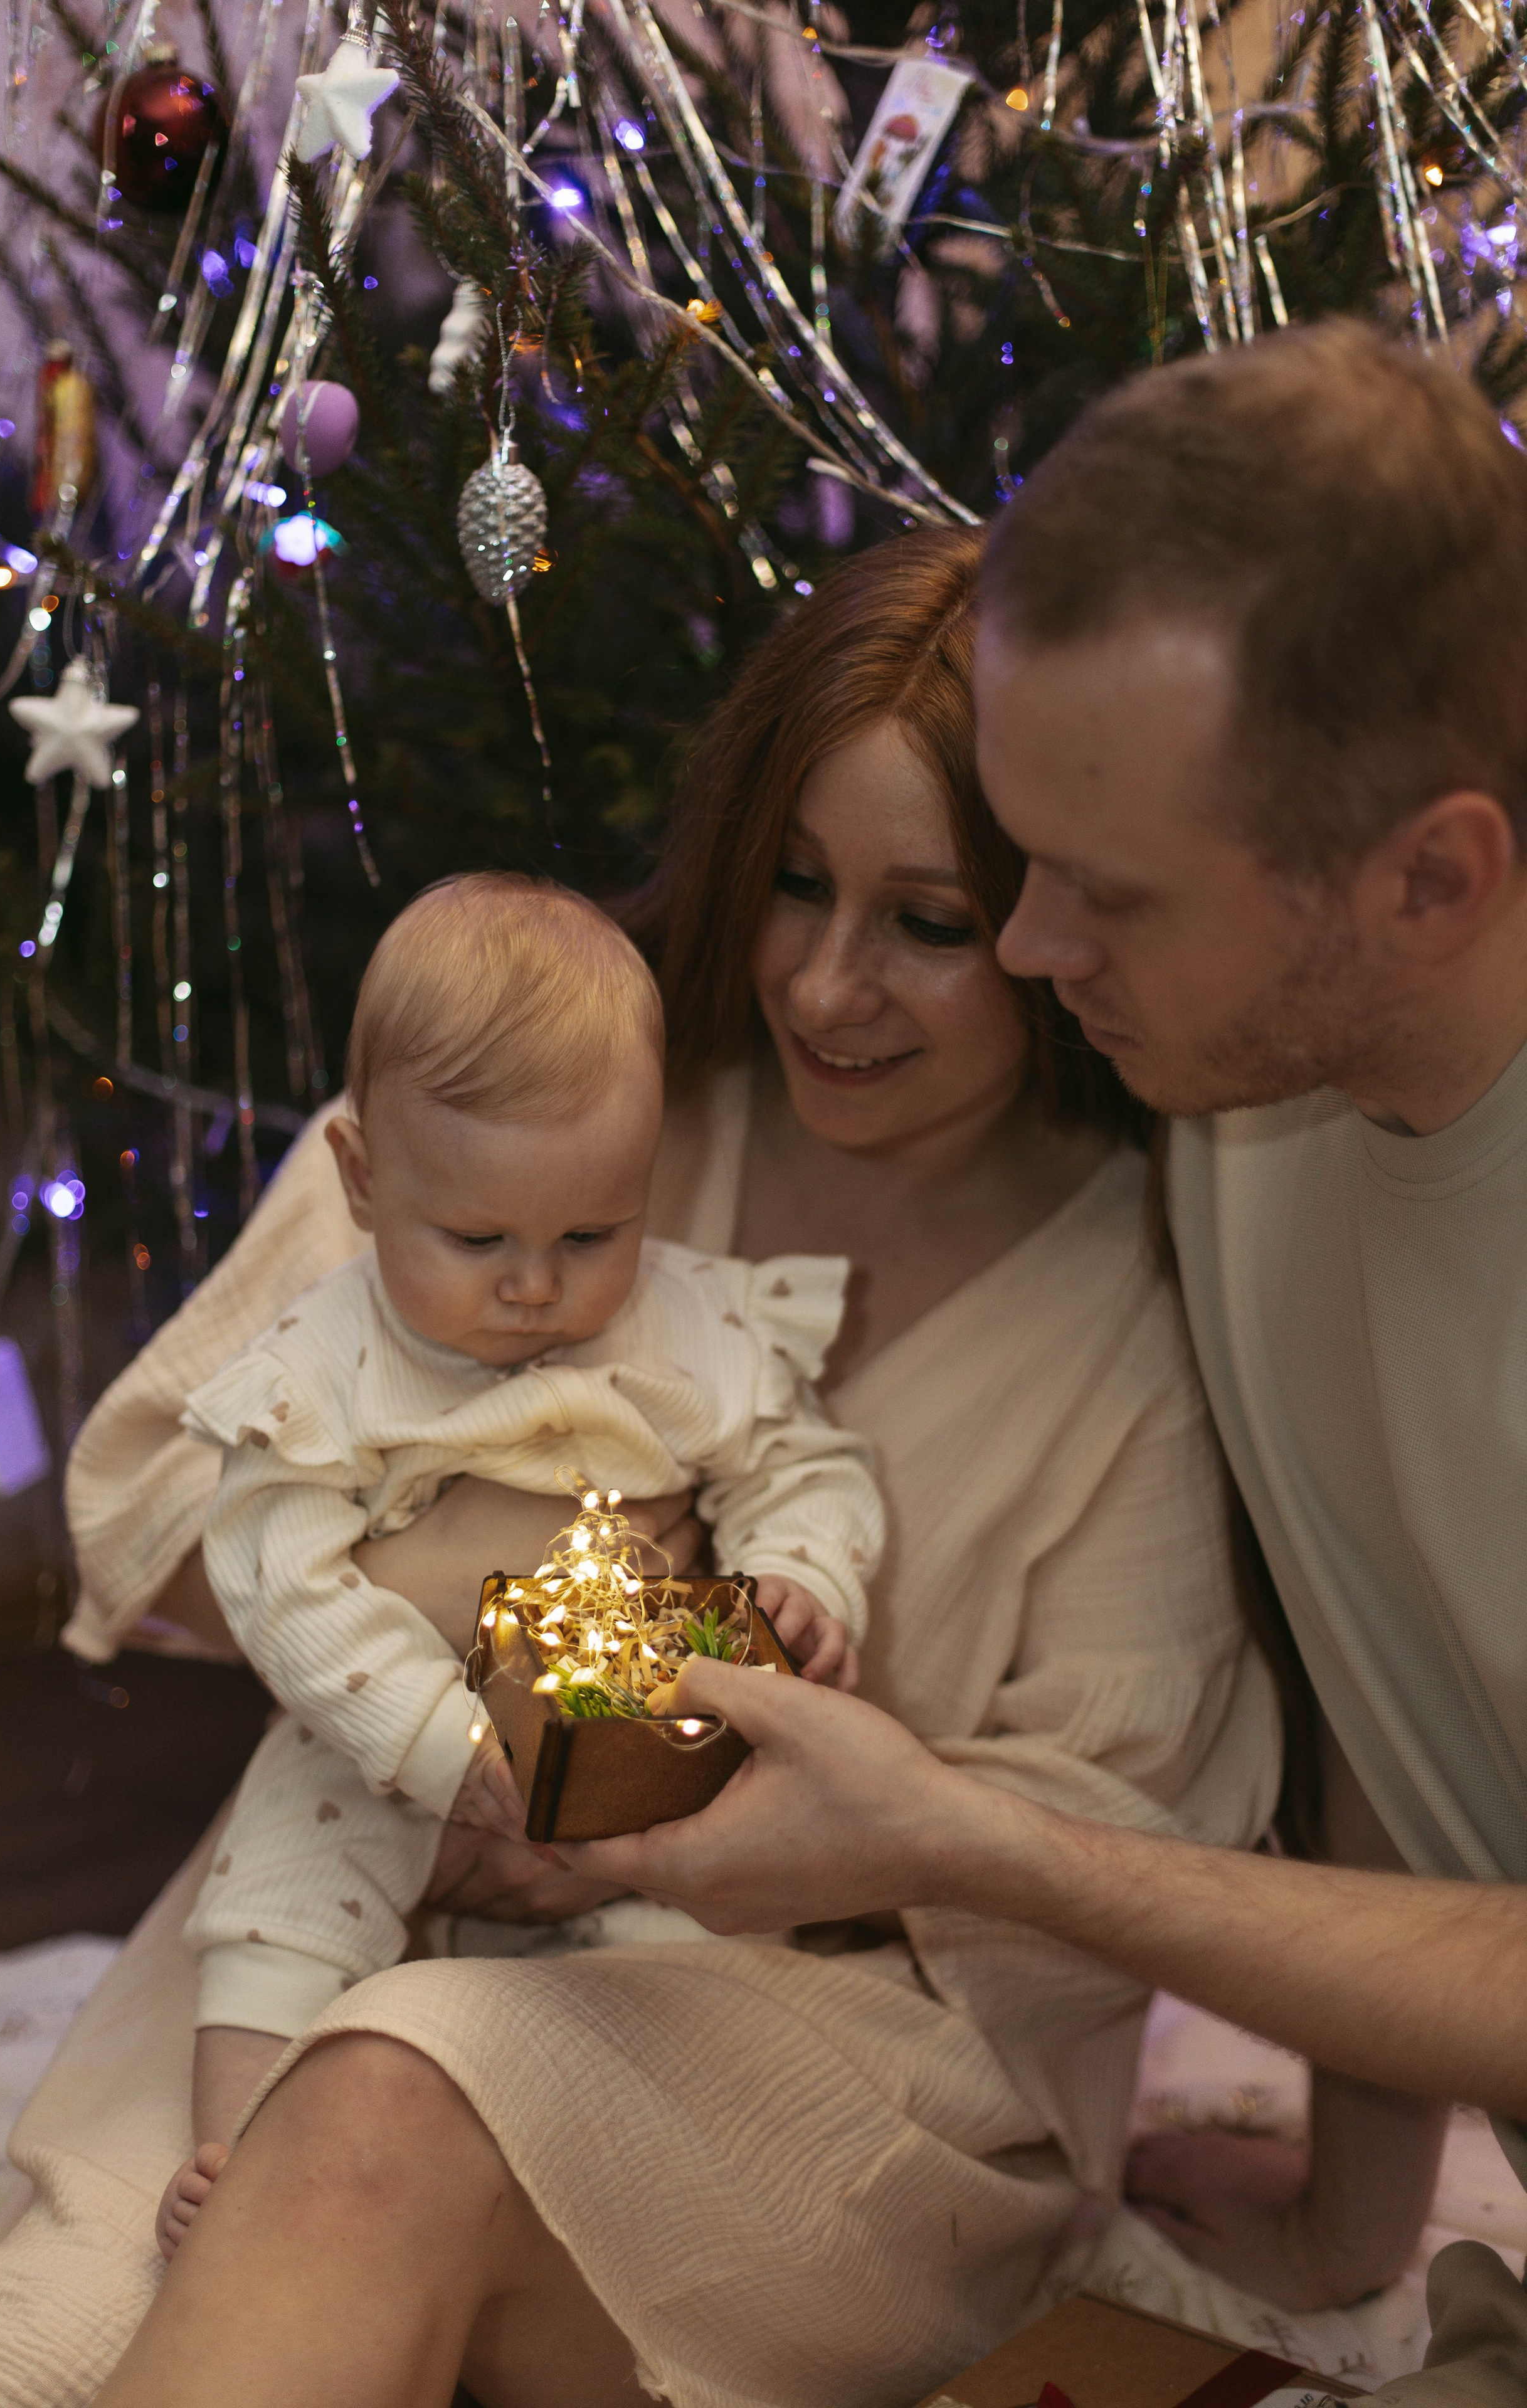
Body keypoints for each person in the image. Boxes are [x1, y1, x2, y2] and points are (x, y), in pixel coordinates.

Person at [0, 528, 1279, 2408]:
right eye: (793, 885)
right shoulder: (555, 1079)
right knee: (36, 2351)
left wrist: (722, 1829)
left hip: (819, 2037)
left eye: (928, 920)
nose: (822, 984)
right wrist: (442, 1648)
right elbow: (155, 1488)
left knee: (392, 2105)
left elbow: (1103, 1855)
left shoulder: (1147, 1300)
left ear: (1057, 920)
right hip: (371, 1876)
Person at [543, 322, 1527, 2403]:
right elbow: (1402, 1668)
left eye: (1103, 893)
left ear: (1435, 876)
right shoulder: (1242, 1105)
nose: (1028, 950)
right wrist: (1359, 2222)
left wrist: (966, 1840)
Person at [162, 871, 875, 2250]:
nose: (535, 1287)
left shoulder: (683, 1326)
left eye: (586, 1235)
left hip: (619, 1700)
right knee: (282, 1896)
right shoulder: (329, 1359)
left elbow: (806, 1464)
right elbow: (272, 1563)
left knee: (695, 1914)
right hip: (385, 1729)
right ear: (366, 1181)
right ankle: (241, 2160)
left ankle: (642, 2158)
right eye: (477, 1239)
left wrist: (804, 1578)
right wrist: (425, 1740)